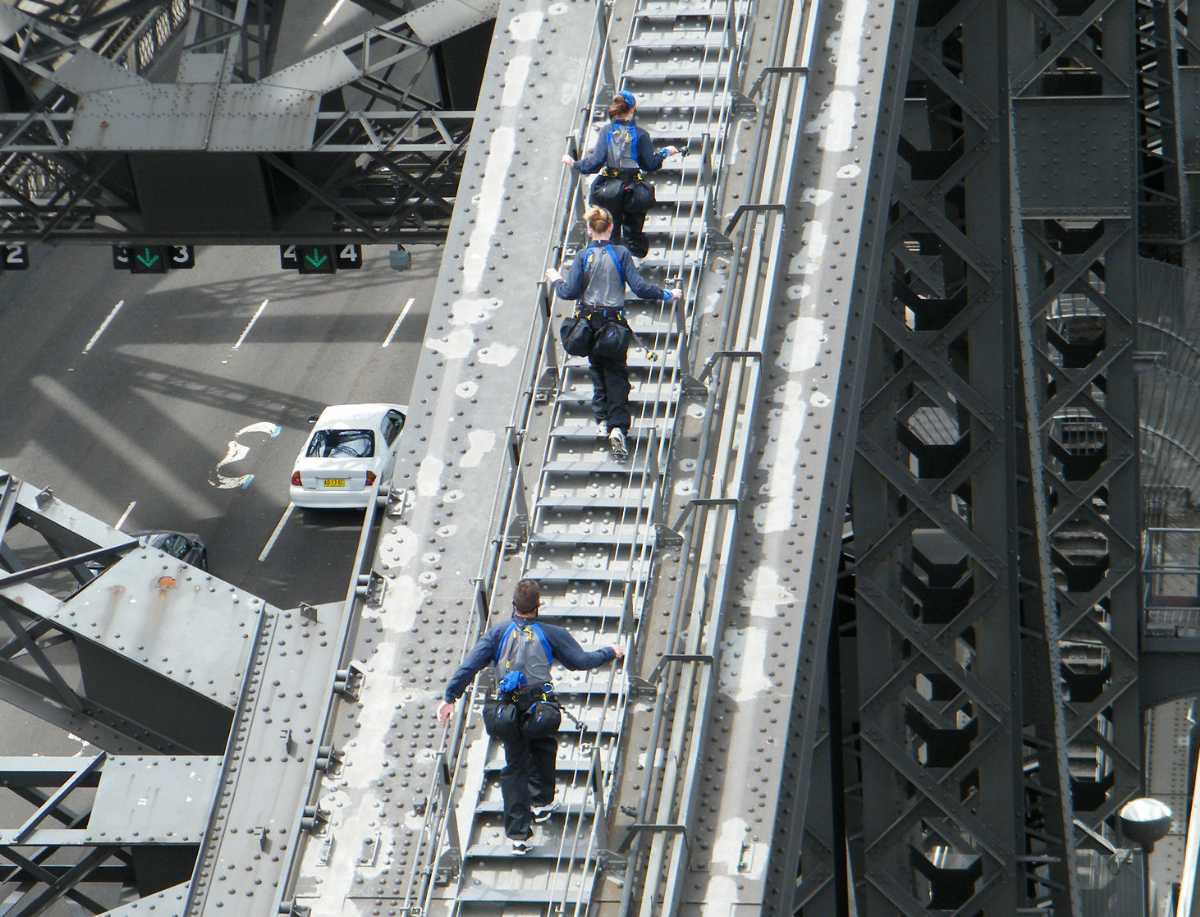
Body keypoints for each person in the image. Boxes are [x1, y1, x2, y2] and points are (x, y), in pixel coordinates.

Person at [437, 579, 624, 854]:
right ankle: (543, 800)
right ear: (538, 606)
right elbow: (580, 661)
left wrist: (449, 698)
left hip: (506, 712)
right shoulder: (551, 633)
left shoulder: (497, 634)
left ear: (514, 605)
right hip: (540, 710)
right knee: (544, 746)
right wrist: (610, 651)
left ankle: (518, 835)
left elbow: (469, 666)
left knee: (515, 767)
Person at [545, 206, 682, 460]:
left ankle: (602, 418)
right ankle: (617, 426)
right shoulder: (620, 253)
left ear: (589, 230)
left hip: (588, 326)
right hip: (614, 327)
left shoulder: (584, 256)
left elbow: (568, 292)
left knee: (596, 368)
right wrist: (667, 294)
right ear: (611, 227)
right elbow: (640, 288)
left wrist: (555, 278)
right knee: (616, 374)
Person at [563, 90, 680, 257]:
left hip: (609, 190)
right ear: (632, 110)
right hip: (634, 191)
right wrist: (665, 152)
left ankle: (610, 259)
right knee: (634, 232)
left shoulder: (606, 131)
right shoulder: (640, 135)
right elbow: (650, 165)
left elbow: (595, 162)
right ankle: (633, 257)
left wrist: (575, 163)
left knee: (610, 230)